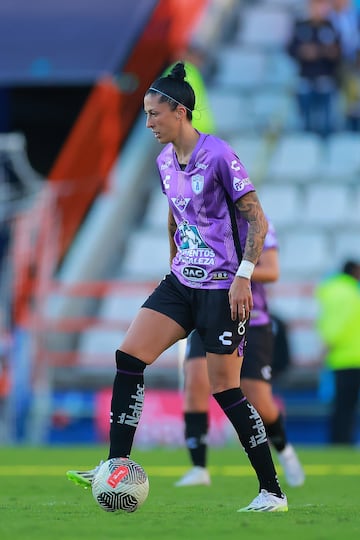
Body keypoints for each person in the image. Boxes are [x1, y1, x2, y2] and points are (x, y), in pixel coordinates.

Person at [67, 62, 288, 512]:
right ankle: (115, 464)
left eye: (153, 114)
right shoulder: (164, 161)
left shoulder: (221, 155)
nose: (148, 123)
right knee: (129, 357)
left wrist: (244, 276)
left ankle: (272, 490)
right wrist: (175, 268)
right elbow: (174, 217)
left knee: (225, 390)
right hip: (183, 282)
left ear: (180, 111)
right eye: (146, 115)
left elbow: (256, 219)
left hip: (224, 287)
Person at [175, 219, 305, 488]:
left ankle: (285, 450)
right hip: (209, 314)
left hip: (251, 320)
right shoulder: (202, 221)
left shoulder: (256, 223)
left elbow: (271, 271)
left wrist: (232, 269)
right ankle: (199, 467)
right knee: (196, 381)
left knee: (259, 401)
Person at [315, 259, 360, 444]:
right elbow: (340, 325)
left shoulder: (332, 291)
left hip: (340, 358)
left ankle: (339, 442)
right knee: (346, 408)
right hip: (351, 357)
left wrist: (326, 349)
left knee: (342, 406)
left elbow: (332, 323)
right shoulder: (351, 293)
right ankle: (342, 442)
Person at [287, 0, 342, 137]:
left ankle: (325, 140)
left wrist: (320, 52)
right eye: (316, 6)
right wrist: (303, 52)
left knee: (326, 118)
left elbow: (338, 52)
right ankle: (306, 140)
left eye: (322, 6)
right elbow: (291, 48)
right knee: (305, 117)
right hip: (305, 77)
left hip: (326, 77)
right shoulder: (301, 26)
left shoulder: (331, 27)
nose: (319, 9)